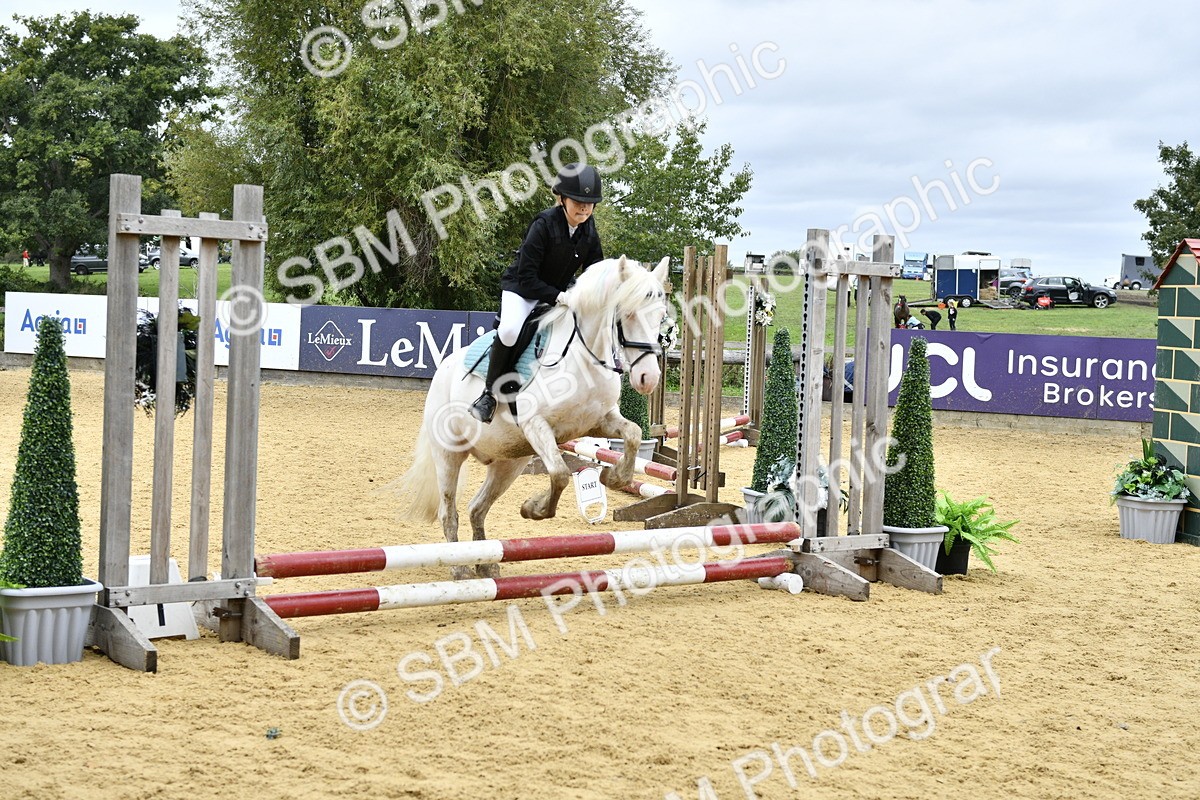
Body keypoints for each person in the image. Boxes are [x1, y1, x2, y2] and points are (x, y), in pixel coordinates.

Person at [469, 163, 605, 423]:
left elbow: (594, 269)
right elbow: (527, 277)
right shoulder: (544, 224)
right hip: (522, 289)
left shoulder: (588, 229)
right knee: (509, 330)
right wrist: (559, 296)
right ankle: (488, 394)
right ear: (562, 199)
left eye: (590, 203)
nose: (584, 208)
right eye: (578, 201)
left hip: (558, 291)